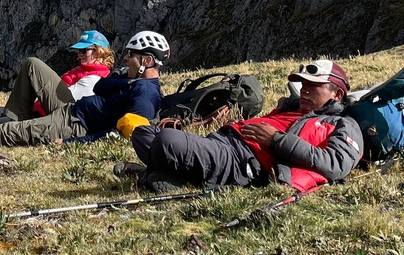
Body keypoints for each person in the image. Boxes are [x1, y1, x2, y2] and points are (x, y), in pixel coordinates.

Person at [118, 59, 364, 192]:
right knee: (142, 133)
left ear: (337, 95)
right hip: (223, 142)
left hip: (243, 161)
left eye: (314, 86)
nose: (305, 90)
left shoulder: (343, 124)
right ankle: (169, 177)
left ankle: (154, 174)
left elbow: (334, 166)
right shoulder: (289, 108)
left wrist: (275, 140)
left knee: (166, 140)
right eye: (304, 85)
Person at [0, 31, 169, 155]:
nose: (126, 59)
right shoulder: (135, 84)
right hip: (72, 113)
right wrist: (125, 81)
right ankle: (14, 115)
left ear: (146, 60)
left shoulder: (145, 94)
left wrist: (71, 143)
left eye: (132, 56)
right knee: (32, 65)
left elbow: (121, 133)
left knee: (3, 133)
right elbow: (100, 87)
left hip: (76, 125)